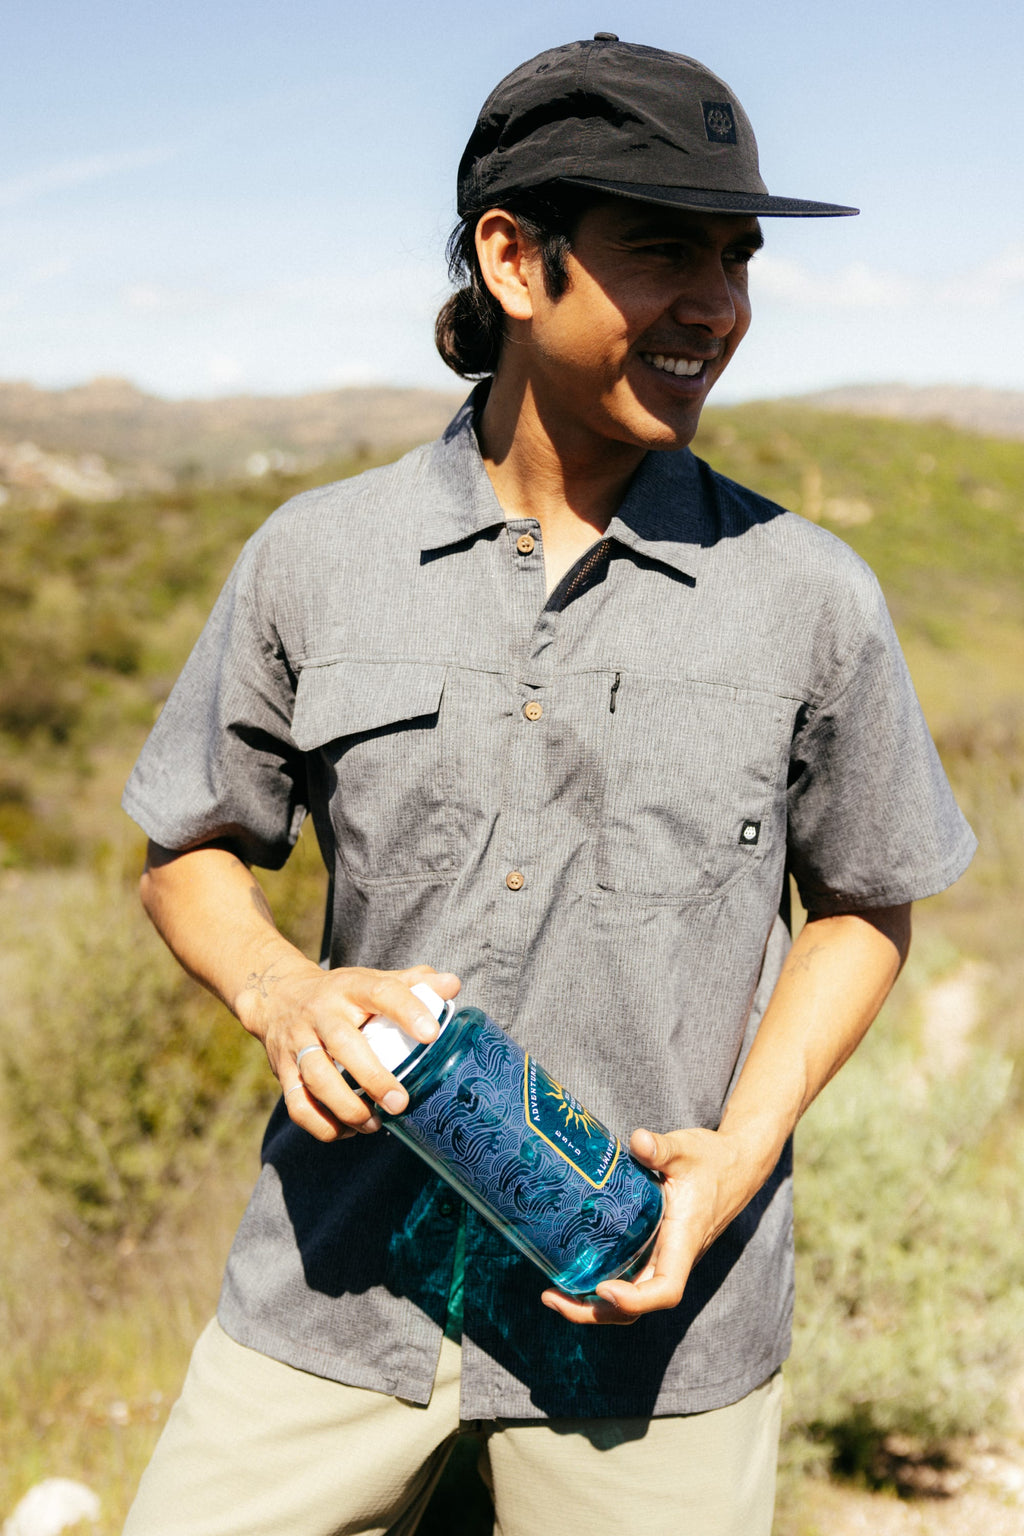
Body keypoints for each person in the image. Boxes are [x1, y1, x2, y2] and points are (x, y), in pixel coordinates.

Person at [120, 36, 975, 1536]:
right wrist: (277, 992)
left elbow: (863, 904)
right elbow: (189, 843)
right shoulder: (316, 561)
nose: (717, 303)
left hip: (649, 1334)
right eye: (664, 252)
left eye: (736, 256)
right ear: (517, 261)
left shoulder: (810, 597)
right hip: (333, 1301)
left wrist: (737, 1158)